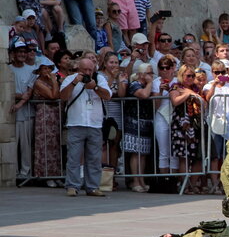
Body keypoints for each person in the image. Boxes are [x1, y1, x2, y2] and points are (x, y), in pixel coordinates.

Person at [59, 58, 111, 197]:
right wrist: (75, 82)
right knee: (74, 157)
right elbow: (63, 96)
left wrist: (95, 87)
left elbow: (107, 95)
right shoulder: (70, 79)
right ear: (79, 69)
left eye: (90, 70)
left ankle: (93, 187)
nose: (88, 72)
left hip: (94, 124)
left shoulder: (99, 79)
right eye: (85, 70)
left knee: (94, 158)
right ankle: (72, 186)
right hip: (76, 123)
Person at [169, 65, 206, 194]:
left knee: (195, 155)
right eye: (188, 76)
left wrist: (195, 94)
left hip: (194, 123)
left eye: (192, 76)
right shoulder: (176, 86)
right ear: (181, 76)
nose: (191, 78)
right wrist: (188, 94)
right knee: (183, 156)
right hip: (180, 123)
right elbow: (175, 101)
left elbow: (204, 104)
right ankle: (184, 184)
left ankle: (192, 185)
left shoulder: (196, 89)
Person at [31, 58, 62, 187]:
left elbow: (60, 95)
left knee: (55, 144)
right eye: (44, 68)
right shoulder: (38, 82)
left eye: (49, 68)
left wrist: (54, 81)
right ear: (39, 70)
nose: (48, 71)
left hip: (54, 114)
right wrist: (54, 81)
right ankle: (45, 174)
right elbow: (53, 95)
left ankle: (56, 174)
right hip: (44, 114)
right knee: (44, 144)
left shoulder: (51, 81)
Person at [123, 63, 154, 192]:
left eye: (152, 73)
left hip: (145, 122)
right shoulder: (134, 84)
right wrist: (150, 83)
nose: (151, 76)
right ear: (141, 74)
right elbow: (144, 95)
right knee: (136, 153)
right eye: (148, 73)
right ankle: (135, 180)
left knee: (143, 154)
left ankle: (141, 180)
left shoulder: (147, 85)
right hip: (134, 122)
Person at [9, 41, 36, 180]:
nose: (22, 54)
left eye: (24, 52)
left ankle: (25, 172)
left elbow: (30, 91)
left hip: (26, 112)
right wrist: (19, 96)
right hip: (10, 112)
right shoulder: (8, 69)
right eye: (19, 52)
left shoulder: (31, 70)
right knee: (13, 144)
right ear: (13, 54)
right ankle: (12, 172)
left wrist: (21, 100)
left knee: (26, 145)